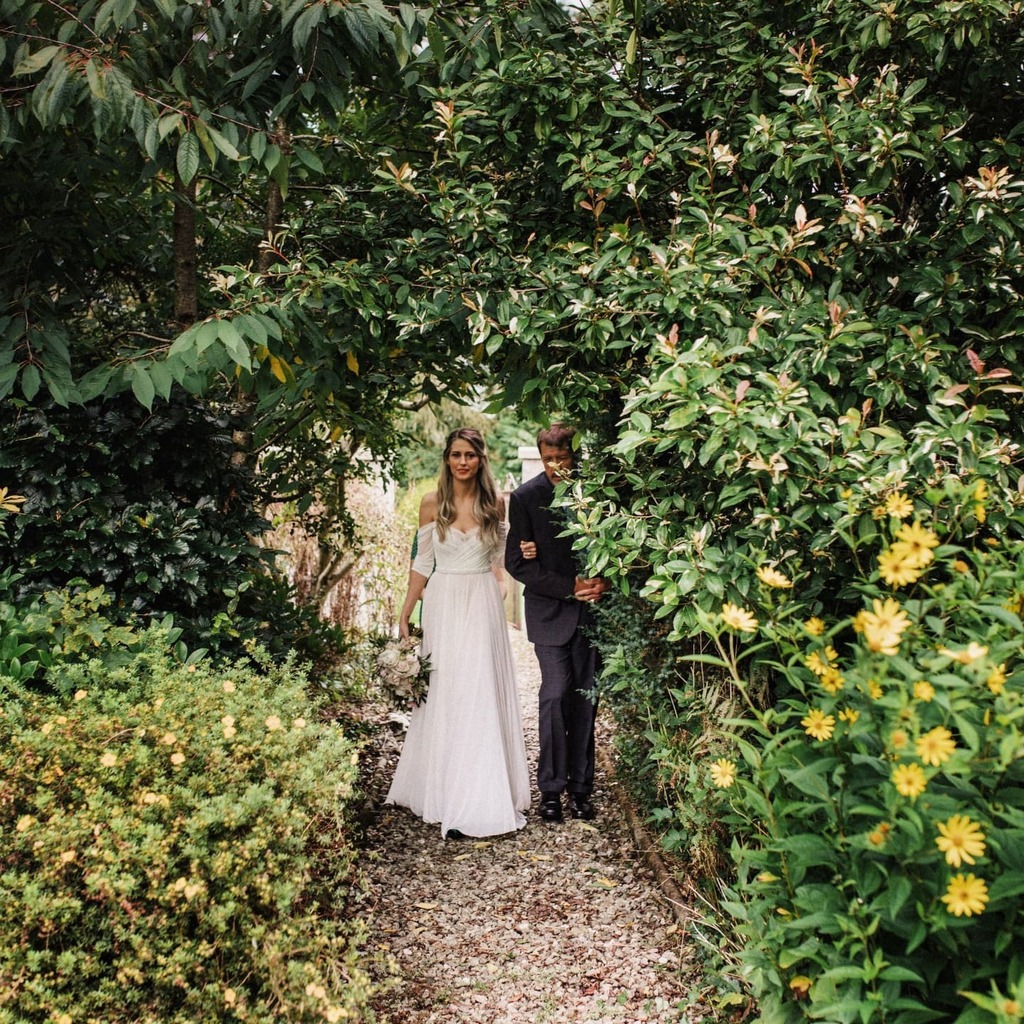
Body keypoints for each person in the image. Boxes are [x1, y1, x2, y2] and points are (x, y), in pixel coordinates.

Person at [386, 428, 531, 839]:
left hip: (481, 601)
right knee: (448, 690)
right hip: (444, 599)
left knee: (479, 688)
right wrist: (406, 611)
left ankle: (484, 792)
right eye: (455, 454)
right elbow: (422, 563)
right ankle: (445, 788)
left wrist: (507, 579)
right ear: (447, 459)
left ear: (481, 459)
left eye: (470, 454)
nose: (462, 461)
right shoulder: (432, 504)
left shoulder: (495, 505)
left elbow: (503, 560)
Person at [505, 425, 610, 823]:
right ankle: (550, 789)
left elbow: (616, 550)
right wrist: (570, 587)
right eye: (548, 459)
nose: (554, 466)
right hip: (549, 615)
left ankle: (581, 790)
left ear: (574, 455)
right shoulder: (525, 498)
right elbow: (516, 563)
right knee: (553, 694)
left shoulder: (597, 493)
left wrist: (604, 582)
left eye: (561, 458)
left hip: (593, 615)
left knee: (586, 699)